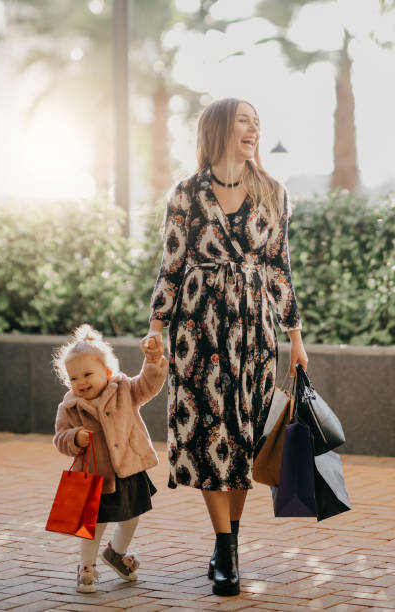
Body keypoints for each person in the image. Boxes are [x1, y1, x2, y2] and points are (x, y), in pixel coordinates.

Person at [148, 98, 308, 596]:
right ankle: (224, 549)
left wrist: (295, 339)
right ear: (218, 129)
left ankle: (229, 544)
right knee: (209, 438)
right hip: (197, 333)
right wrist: (156, 328)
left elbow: (280, 269)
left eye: (257, 121)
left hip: (255, 336)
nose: (254, 127)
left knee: (241, 442)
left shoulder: (272, 192)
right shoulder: (186, 194)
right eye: (244, 119)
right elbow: (171, 267)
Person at [52, 324, 167, 593]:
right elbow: (60, 438)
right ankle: (87, 566)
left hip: (126, 468)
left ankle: (116, 552)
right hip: (93, 473)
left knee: (131, 516)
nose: (81, 383)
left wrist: (152, 360)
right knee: (94, 523)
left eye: (87, 374)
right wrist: (73, 438)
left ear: (106, 372)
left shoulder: (125, 390)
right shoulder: (69, 407)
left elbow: (148, 385)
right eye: (74, 379)